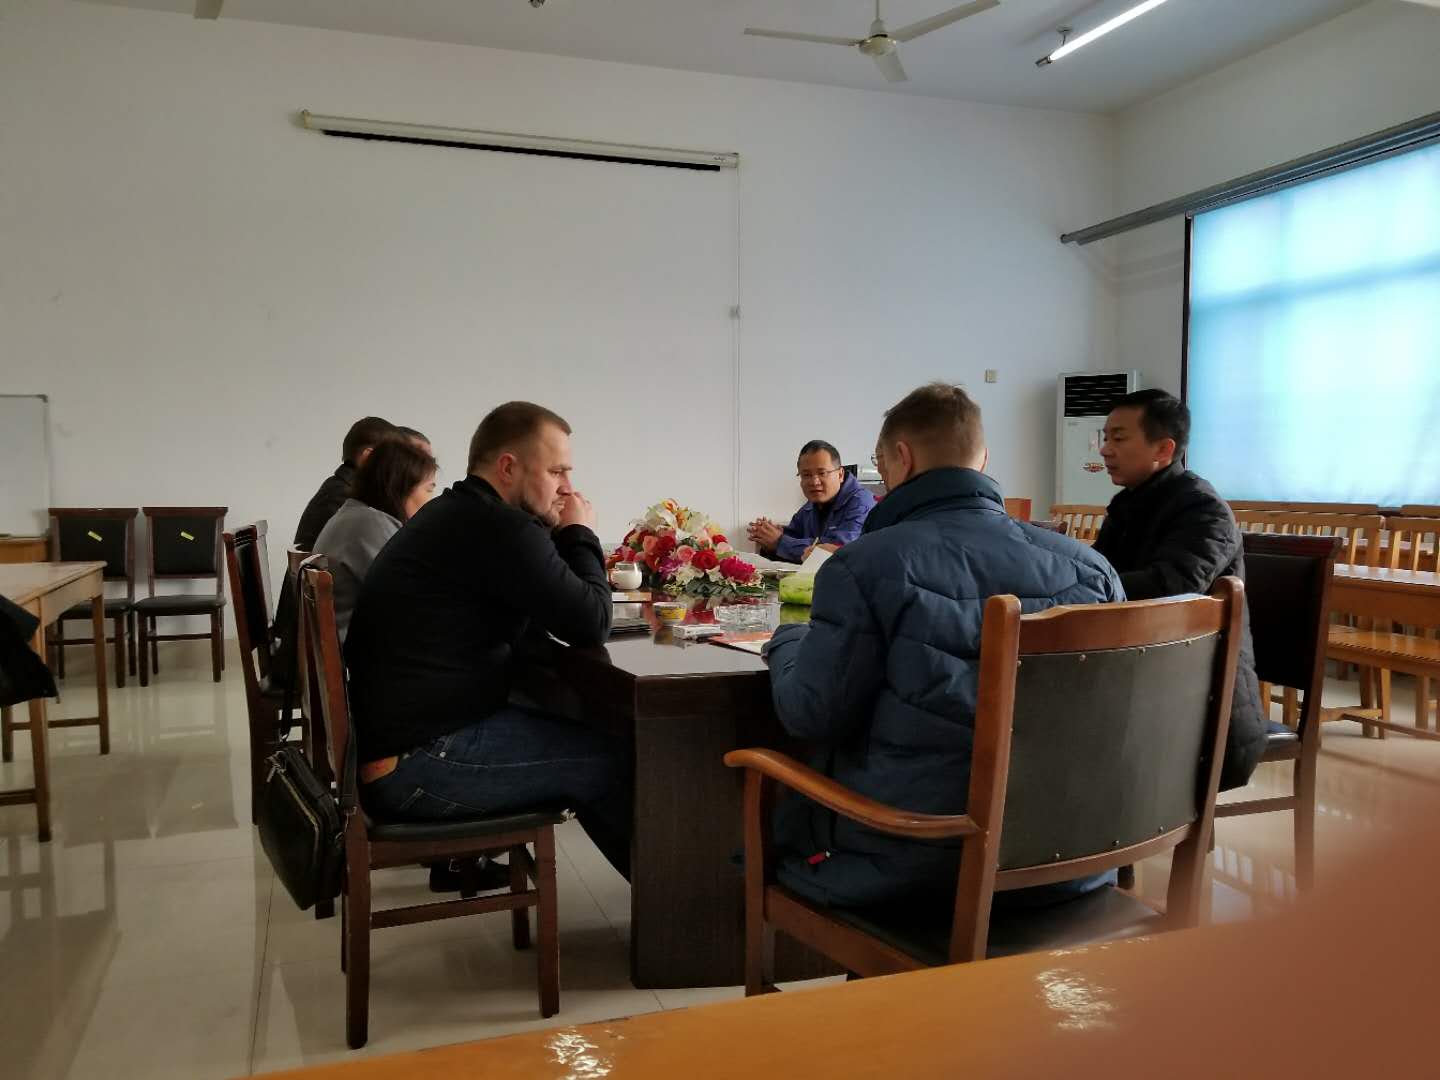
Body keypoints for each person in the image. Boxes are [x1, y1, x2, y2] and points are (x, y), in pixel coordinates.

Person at [762, 384, 1124, 909]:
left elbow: (810, 715)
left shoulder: (864, 565)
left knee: (761, 808)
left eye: (881, 464)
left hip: (916, 863)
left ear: (901, 457)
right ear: (983, 459)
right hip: (1072, 857)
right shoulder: (1092, 568)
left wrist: (787, 639)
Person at [344, 401, 631, 878]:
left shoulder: (458, 513)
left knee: (590, 725)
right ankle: (681, 909)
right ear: (508, 467)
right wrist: (580, 531)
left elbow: (546, 612)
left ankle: (670, 896)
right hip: (417, 764)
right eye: (556, 471)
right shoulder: (500, 528)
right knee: (615, 757)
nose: (567, 486)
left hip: (396, 745)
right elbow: (591, 621)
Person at [1091, 388, 1265, 791]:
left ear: (1163, 449)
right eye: (1105, 437)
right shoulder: (1130, 504)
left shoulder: (1202, 509)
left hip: (1201, 693)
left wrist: (1081, 582)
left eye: (1118, 438)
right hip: (1146, 672)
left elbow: (1169, 589)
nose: (1105, 449)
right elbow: (1098, 569)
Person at [311, 438, 438, 643]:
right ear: (400, 487)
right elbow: (416, 600)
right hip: (366, 653)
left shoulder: (356, 515)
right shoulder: (369, 525)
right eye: (429, 489)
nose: (432, 500)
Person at [747, 440, 876, 563]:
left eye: (822, 473)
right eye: (806, 475)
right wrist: (770, 534)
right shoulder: (811, 505)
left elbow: (838, 551)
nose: (814, 482)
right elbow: (794, 536)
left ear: (840, 474)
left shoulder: (861, 503)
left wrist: (780, 542)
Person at [294, 416, 398, 552]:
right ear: (368, 457)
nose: (398, 467)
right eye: (394, 457)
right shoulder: (341, 498)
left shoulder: (340, 489)